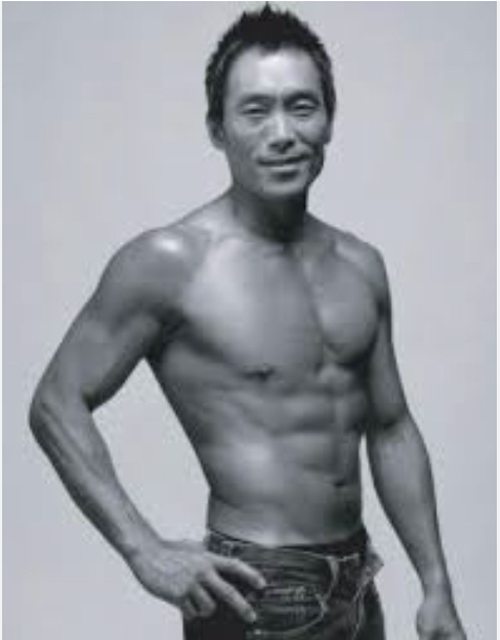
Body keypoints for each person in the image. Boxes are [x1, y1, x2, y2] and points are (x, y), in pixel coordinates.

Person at [29, 6, 466, 640]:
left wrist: (435, 584)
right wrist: (142, 548)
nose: (282, 133)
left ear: (329, 119)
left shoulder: (361, 266)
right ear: (218, 129)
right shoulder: (171, 262)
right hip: (257, 592)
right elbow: (55, 402)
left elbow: (392, 427)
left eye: (302, 107)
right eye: (256, 111)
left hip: (356, 584)